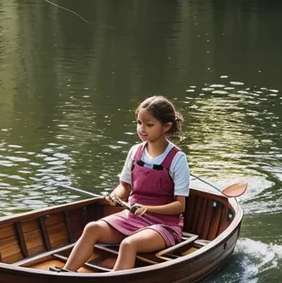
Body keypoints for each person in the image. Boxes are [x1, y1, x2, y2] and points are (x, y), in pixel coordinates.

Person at [59, 95, 190, 273]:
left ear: (166, 126)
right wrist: (115, 195)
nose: (142, 129)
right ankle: (65, 274)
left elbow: (179, 206)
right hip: (132, 218)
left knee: (128, 244)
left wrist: (147, 209)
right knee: (92, 228)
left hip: (164, 225)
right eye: (139, 123)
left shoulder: (178, 158)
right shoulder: (135, 151)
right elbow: (125, 186)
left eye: (149, 125)